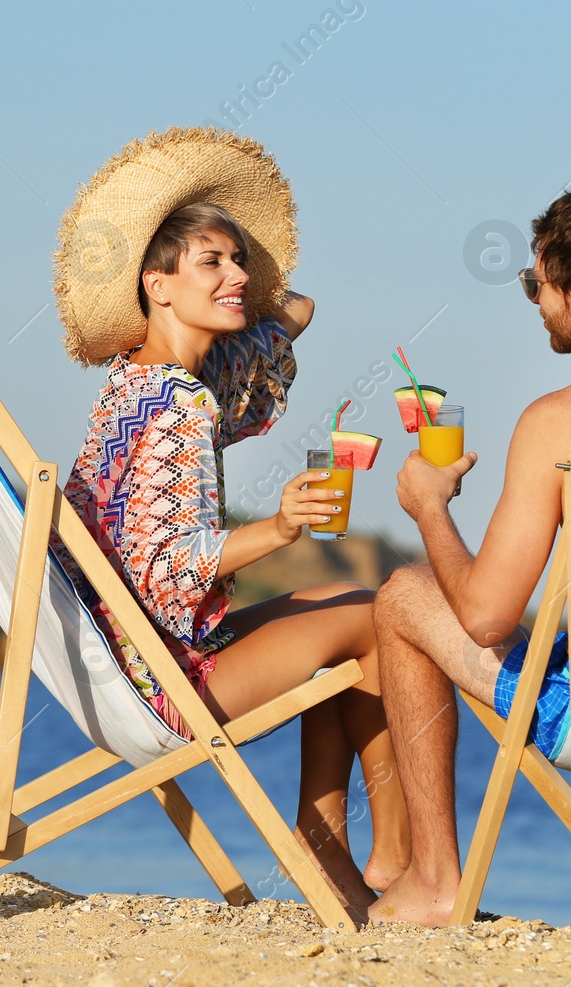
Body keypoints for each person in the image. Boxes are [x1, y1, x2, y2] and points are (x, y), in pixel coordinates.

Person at [51, 128, 408, 920]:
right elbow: (167, 572)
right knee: (382, 617)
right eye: (211, 261)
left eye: (240, 259)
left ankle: (339, 850)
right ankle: (387, 851)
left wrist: (216, 276)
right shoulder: (177, 406)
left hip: (125, 662)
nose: (239, 275)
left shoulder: (140, 381)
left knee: (354, 599)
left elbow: (296, 310)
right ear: (157, 283)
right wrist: (280, 528)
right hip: (168, 679)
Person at [367, 177, 571, 926]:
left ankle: (437, 880)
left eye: (535, 282)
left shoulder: (563, 421)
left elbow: (483, 613)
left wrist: (430, 508)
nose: (534, 300)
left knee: (405, 595)